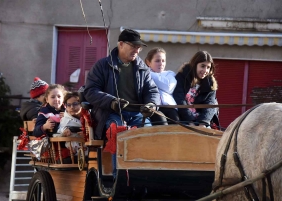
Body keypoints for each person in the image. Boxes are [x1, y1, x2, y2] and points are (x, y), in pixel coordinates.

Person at [84, 29, 160, 178]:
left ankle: (145, 177)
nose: (137, 50)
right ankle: (118, 179)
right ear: (120, 44)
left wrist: (151, 104)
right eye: (133, 46)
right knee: (119, 132)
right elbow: (91, 91)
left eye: (138, 47)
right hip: (111, 113)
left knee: (149, 135)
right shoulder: (102, 65)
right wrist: (111, 102)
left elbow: (152, 90)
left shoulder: (142, 68)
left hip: (138, 114)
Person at [173, 50, 219, 128]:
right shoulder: (182, 76)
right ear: (195, 64)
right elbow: (179, 100)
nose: (205, 70)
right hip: (182, 118)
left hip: (202, 121)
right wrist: (190, 121)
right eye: (202, 66)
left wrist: (203, 123)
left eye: (208, 67)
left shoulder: (211, 83)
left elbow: (210, 104)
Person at [145, 47, 179, 124]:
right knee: (162, 124)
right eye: (157, 61)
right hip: (154, 108)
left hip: (170, 108)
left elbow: (169, 86)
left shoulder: (170, 74)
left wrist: (148, 74)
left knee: (176, 127)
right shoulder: (144, 74)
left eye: (163, 61)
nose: (161, 64)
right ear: (148, 62)